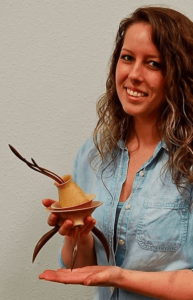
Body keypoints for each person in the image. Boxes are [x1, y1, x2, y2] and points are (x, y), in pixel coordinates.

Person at [39, 6, 193, 300]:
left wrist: (120, 276)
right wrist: (78, 238)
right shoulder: (93, 155)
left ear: (181, 75)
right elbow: (83, 268)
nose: (134, 75)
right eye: (127, 58)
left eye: (154, 64)